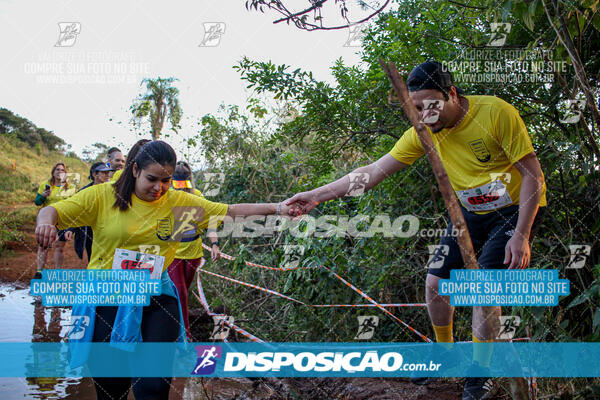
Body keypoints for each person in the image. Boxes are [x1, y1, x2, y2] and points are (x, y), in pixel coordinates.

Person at [286, 60, 547, 400]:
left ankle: (481, 373)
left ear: (452, 93)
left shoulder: (496, 113)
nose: (426, 115)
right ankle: (444, 354)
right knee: (436, 284)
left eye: (432, 105)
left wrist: (522, 234)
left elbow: (533, 175)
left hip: (515, 210)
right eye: (417, 108)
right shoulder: (421, 133)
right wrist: (315, 196)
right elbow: (374, 171)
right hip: (470, 212)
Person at [35, 140, 296, 400]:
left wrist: (278, 208)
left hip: (157, 296)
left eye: (166, 180)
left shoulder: (179, 203)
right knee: (112, 386)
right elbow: (51, 210)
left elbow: (230, 211)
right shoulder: (102, 196)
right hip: (107, 297)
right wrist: (46, 223)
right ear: (135, 170)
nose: (159, 187)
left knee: (153, 385)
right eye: (152, 179)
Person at [167, 161, 220, 340]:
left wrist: (215, 244)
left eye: (183, 183)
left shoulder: (197, 196)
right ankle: (184, 334)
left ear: (189, 180)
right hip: (172, 252)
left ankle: (175, 323)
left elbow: (211, 221)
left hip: (193, 252)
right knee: (180, 291)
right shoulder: (166, 196)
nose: (180, 187)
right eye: (176, 182)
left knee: (183, 292)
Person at [34, 162, 74, 277]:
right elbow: (37, 202)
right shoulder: (45, 185)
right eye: (57, 169)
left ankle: (58, 272)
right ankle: (39, 272)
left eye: (62, 170)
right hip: (47, 220)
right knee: (43, 246)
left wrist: (71, 226)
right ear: (53, 172)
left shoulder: (70, 187)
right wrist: (43, 196)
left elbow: (73, 205)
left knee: (59, 246)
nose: (60, 172)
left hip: (63, 220)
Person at [71, 162, 115, 262]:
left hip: (108, 228)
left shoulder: (113, 190)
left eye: (108, 172)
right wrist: (70, 229)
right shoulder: (84, 192)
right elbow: (75, 210)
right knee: (92, 255)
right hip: (89, 229)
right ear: (94, 174)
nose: (107, 175)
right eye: (104, 173)